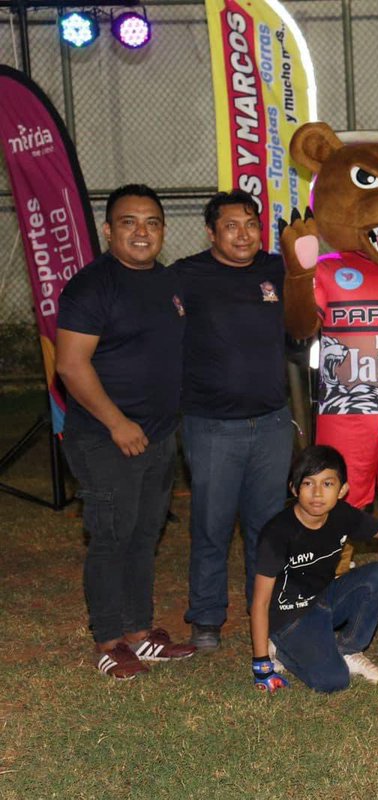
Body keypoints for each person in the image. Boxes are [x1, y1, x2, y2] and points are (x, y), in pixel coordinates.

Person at [56, 184, 196, 679]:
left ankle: (139, 632)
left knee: (144, 533)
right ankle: (109, 639)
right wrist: (117, 423)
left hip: (159, 434)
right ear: (108, 230)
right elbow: (71, 366)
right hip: (104, 437)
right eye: (129, 222)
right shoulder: (92, 286)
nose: (142, 232)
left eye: (152, 222)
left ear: (162, 230)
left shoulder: (168, 283)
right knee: (111, 536)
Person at [175, 190, 294, 651]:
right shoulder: (185, 275)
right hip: (211, 427)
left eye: (250, 223)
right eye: (231, 225)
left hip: (271, 424)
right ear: (210, 232)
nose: (243, 234)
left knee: (267, 528)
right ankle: (205, 618)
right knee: (212, 525)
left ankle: (265, 610)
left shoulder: (276, 271)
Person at [250, 445, 378, 693]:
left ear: (342, 490)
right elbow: (260, 603)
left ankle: (349, 650)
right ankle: (280, 647)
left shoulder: (342, 514)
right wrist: (261, 665)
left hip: (324, 598)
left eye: (328, 484)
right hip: (289, 617)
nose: (317, 493)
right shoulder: (277, 533)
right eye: (308, 483)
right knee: (333, 681)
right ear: (293, 488)